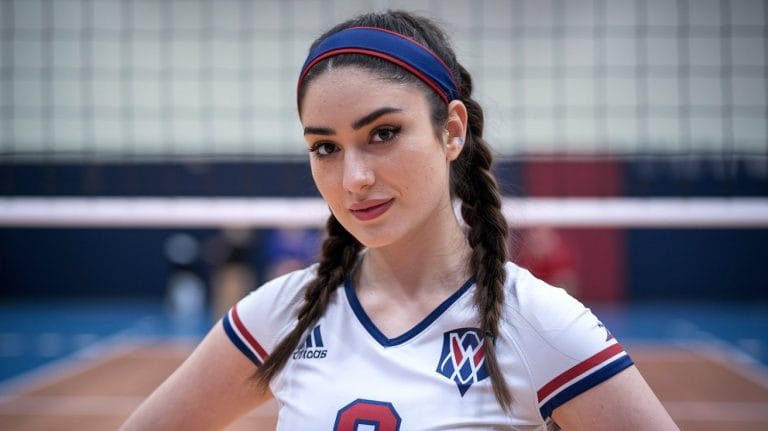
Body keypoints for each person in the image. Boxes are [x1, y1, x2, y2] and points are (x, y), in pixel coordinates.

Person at [120, 10, 678, 430]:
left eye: (383, 134)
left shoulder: (536, 322)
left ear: (452, 131)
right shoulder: (280, 315)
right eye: (325, 148)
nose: (353, 177)